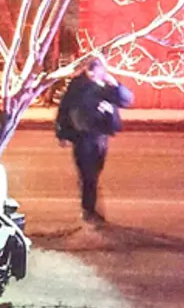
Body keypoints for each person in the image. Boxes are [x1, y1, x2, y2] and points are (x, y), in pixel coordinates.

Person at [55, 57, 133, 224]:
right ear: (90, 71)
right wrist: (62, 133)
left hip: (100, 136)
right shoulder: (78, 86)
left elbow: (126, 100)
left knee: (94, 174)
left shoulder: (105, 86)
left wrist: (116, 85)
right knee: (88, 175)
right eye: (98, 72)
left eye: (103, 72)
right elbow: (65, 109)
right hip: (83, 136)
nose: (101, 75)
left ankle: (89, 207)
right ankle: (88, 210)